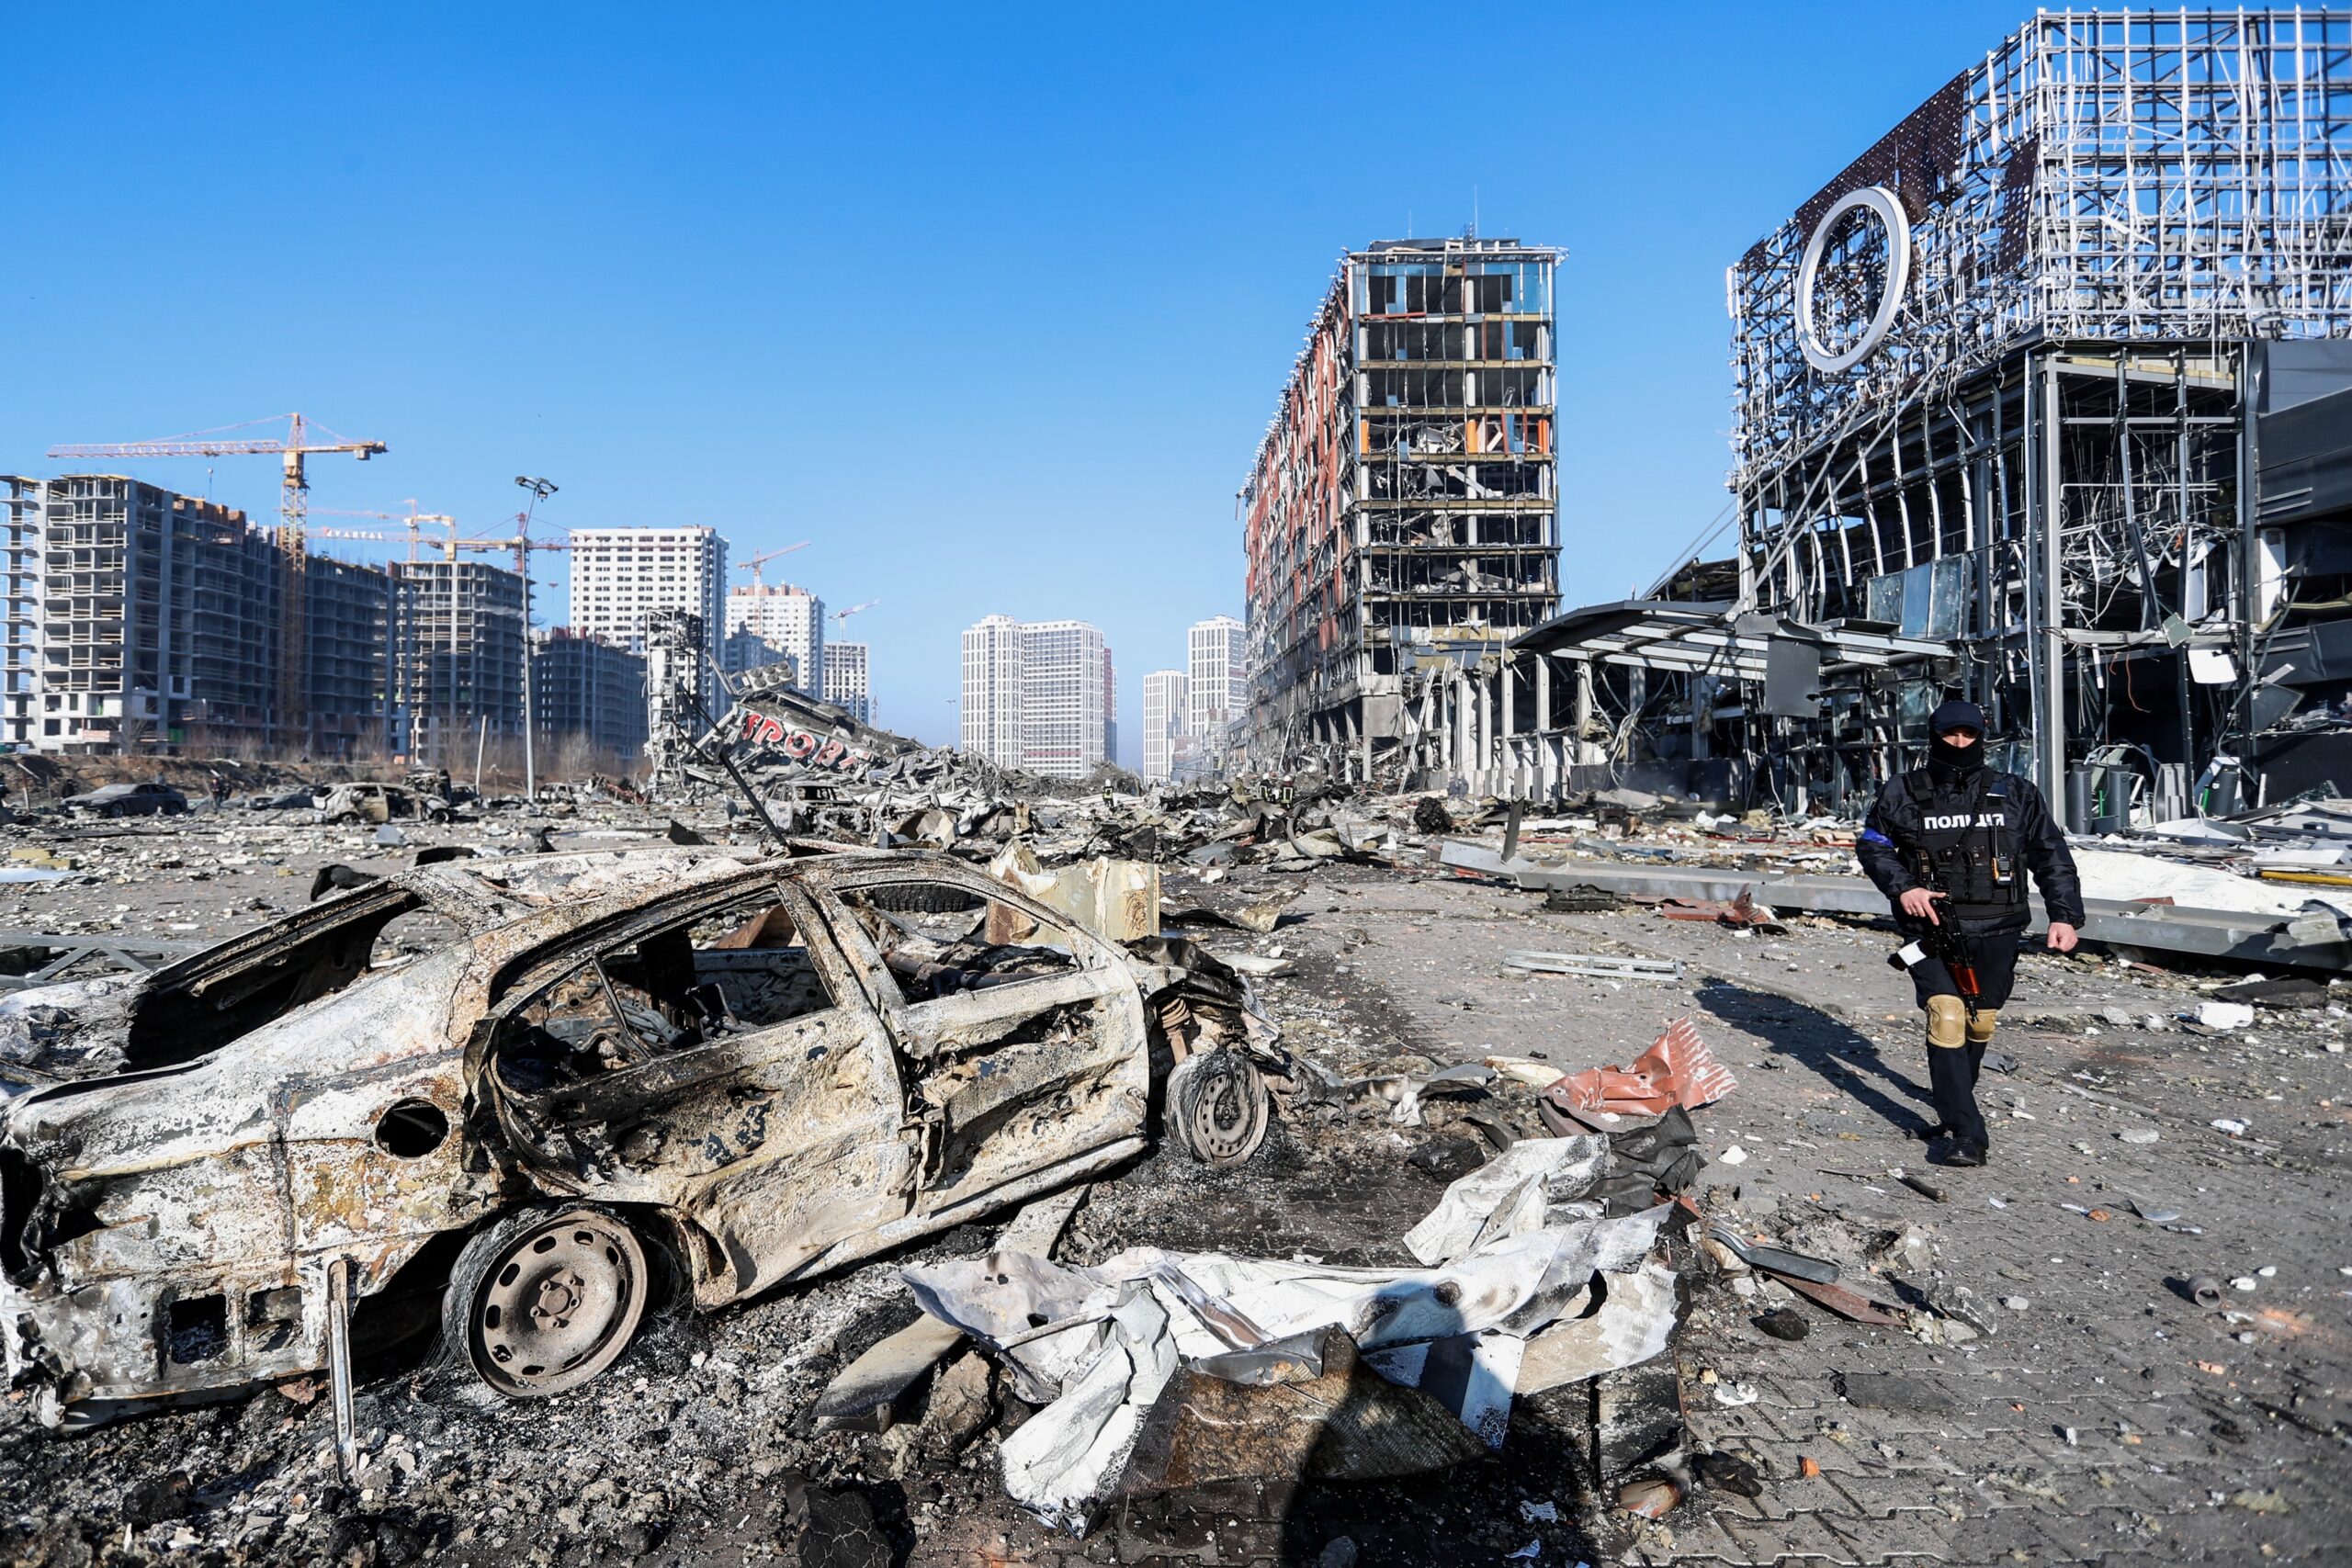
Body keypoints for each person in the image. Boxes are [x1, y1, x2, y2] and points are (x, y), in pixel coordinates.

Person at [1855, 700, 2084, 1168]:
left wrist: (2064, 915)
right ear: (1933, 736)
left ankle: (1956, 1097)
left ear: (1982, 737)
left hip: (1998, 926)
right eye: (1950, 734)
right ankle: (1966, 1131)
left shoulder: (2016, 792)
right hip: (1929, 929)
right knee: (1947, 1015)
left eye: (1968, 735)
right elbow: (1873, 845)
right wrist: (1905, 888)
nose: (1959, 743)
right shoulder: (1902, 791)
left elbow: (2050, 854)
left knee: (1980, 1021)